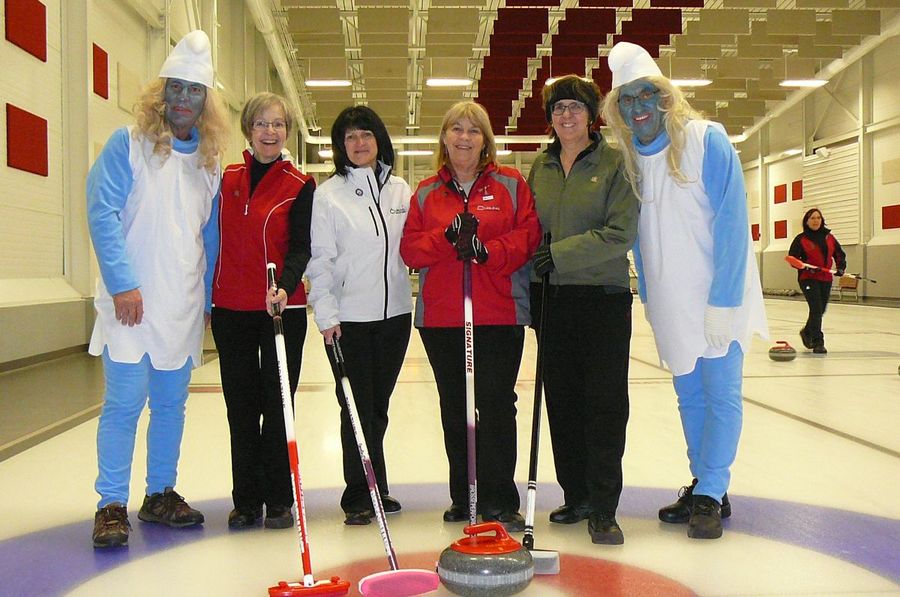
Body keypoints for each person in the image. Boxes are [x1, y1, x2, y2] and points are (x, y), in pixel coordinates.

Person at [601, 42, 768, 540]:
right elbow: (640, 239)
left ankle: (712, 489)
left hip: (719, 299)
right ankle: (705, 485)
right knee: (690, 398)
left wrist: (724, 301)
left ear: (665, 96)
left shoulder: (705, 140)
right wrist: (651, 298)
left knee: (721, 396)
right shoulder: (629, 161)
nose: (638, 106)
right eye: (627, 99)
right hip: (671, 304)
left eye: (646, 94)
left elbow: (733, 223)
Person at [86, 30, 229, 548]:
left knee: (171, 407)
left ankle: (160, 494)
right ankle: (110, 504)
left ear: (206, 101)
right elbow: (102, 212)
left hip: (180, 306)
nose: (184, 99)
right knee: (124, 405)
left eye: (195, 90)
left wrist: (208, 300)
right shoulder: (127, 144)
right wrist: (123, 284)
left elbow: (209, 238)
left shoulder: (209, 163)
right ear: (161, 93)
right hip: (131, 305)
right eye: (176, 87)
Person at [400, 101, 541, 532]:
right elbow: (410, 249)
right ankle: (465, 495)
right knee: (456, 407)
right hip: (443, 318)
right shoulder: (426, 192)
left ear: (485, 140)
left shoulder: (510, 184)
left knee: (496, 405)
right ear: (444, 138)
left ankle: (500, 498)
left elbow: (528, 235)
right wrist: (445, 239)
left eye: (473, 130)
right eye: (456, 129)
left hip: (498, 313)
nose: (464, 137)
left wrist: (487, 252)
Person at [526, 75, 639, 545]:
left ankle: (604, 506)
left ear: (592, 115)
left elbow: (620, 233)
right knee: (563, 401)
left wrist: (561, 254)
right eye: (558, 108)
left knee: (604, 404)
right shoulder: (541, 166)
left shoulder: (616, 164)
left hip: (601, 298)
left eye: (575, 107)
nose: (566, 115)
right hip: (552, 299)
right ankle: (576, 494)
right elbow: (528, 229)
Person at [211, 92, 315, 530]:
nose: (270, 132)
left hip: (280, 310)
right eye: (261, 123)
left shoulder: (300, 184)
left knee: (277, 405)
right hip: (231, 308)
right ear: (248, 129)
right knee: (240, 407)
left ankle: (279, 498)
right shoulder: (226, 178)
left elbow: (301, 247)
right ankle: (246, 500)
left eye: (278, 124)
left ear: (287, 131)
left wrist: (285, 286)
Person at [306, 106, 412, 526]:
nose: (359, 143)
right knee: (354, 407)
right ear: (340, 146)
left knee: (378, 408)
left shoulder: (400, 190)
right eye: (350, 137)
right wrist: (326, 315)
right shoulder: (328, 195)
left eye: (366, 134)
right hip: (348, 319)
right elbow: (321, 259)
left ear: (379, 139)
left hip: (395, 317)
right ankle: (357, 495)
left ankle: (376, 486)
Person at [788, 208, 846, 354]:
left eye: (818, 218)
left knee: (821, 309)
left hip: (825, 278)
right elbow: (792, 259)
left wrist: (841, 268)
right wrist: (806, 267)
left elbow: (839, 254)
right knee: (816, 308)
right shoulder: (801, 239)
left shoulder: (829, 238)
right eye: (812, 218)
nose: (816, 221)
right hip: (808, 278)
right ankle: (818, 341)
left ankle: (807, 331)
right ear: (807, 221)